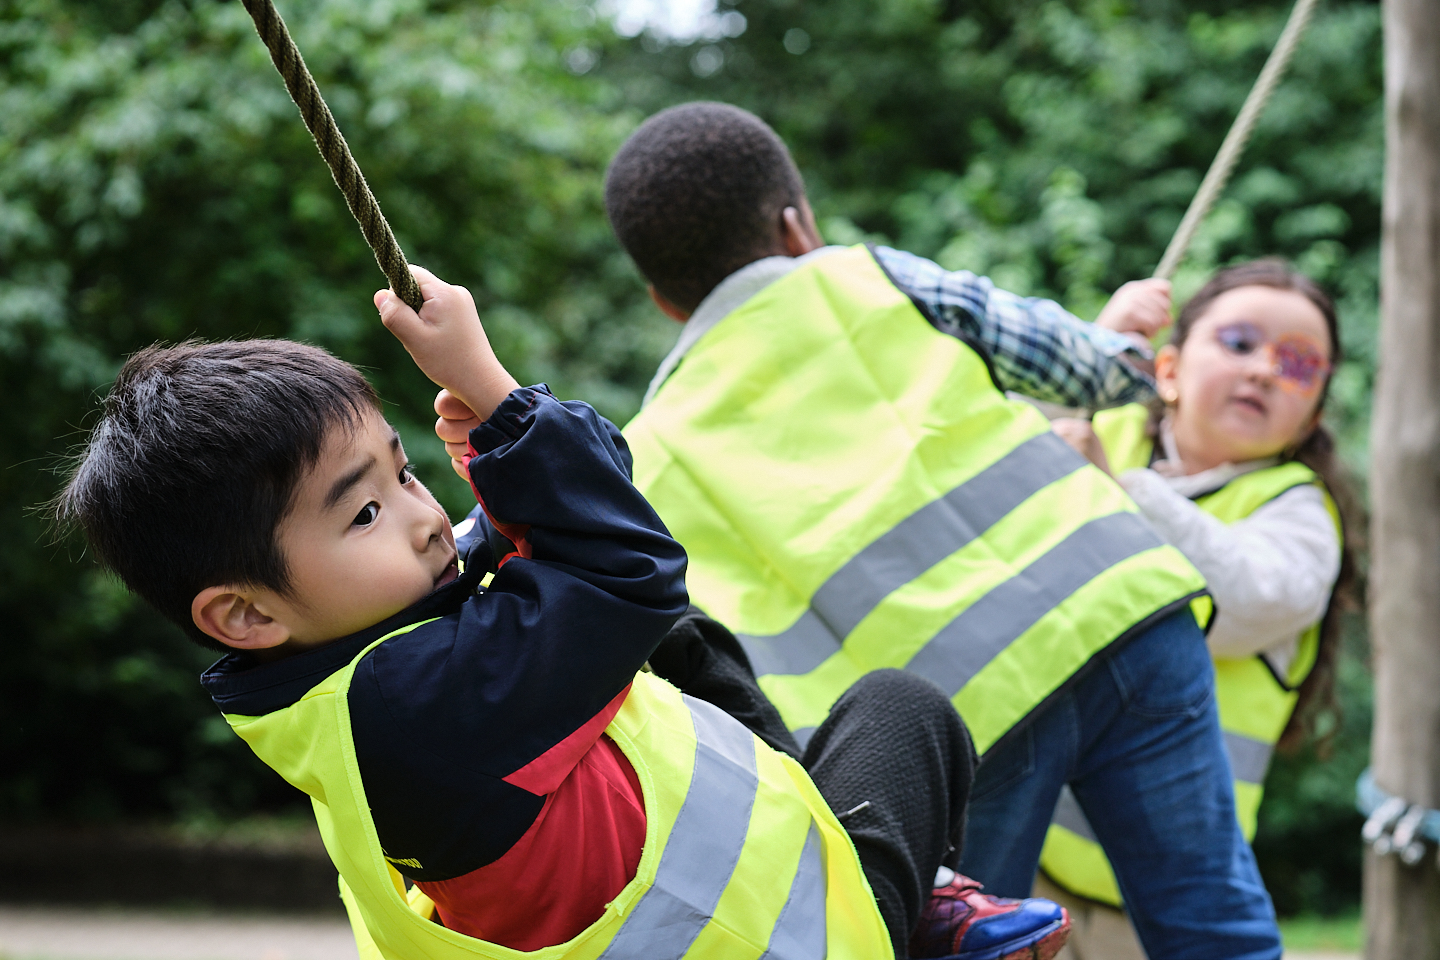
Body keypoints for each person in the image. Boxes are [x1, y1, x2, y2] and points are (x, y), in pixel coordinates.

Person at [54, 267, 1067, 960]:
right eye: (364, 508)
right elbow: (627, 566)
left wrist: (508, 453)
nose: (419, 520)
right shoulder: (422, 700)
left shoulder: (346, 679)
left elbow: (605, 533)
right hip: (794, 939)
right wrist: (489, 387)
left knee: (670, 643)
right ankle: (919, 911)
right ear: (245, 615)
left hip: (732, 917)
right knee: (901, 709)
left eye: (406, 475)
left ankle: (903, 882)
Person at [559, 100, 1283, 959]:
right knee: (1214, 921)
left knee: (981, 946)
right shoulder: (868, 278)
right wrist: (1120, 349)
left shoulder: (653, 457)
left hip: (965, 718)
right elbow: (1084, 367)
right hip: (1122, 608)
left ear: (662, 300)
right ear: (798, 225)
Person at [1041, 260, 1353, 959]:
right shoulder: (1105, 425)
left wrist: (1115, 490)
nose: (1266, 370)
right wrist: (1090, 351)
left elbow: (1245, 598)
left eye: (1299, 364)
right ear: (1170, 370)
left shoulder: (1298, 512)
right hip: (1028, 858)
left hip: (1164, 900)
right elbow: (992, 453)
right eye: (1240, 343)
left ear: (1314, 411)